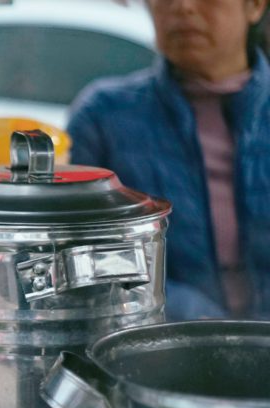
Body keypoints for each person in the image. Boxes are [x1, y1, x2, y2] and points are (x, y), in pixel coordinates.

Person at [68, 0, 270, 320]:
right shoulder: (104, 117)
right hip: (161, 350)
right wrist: (193, 317)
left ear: (255, 6)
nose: (185, 7)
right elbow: (85, 255)